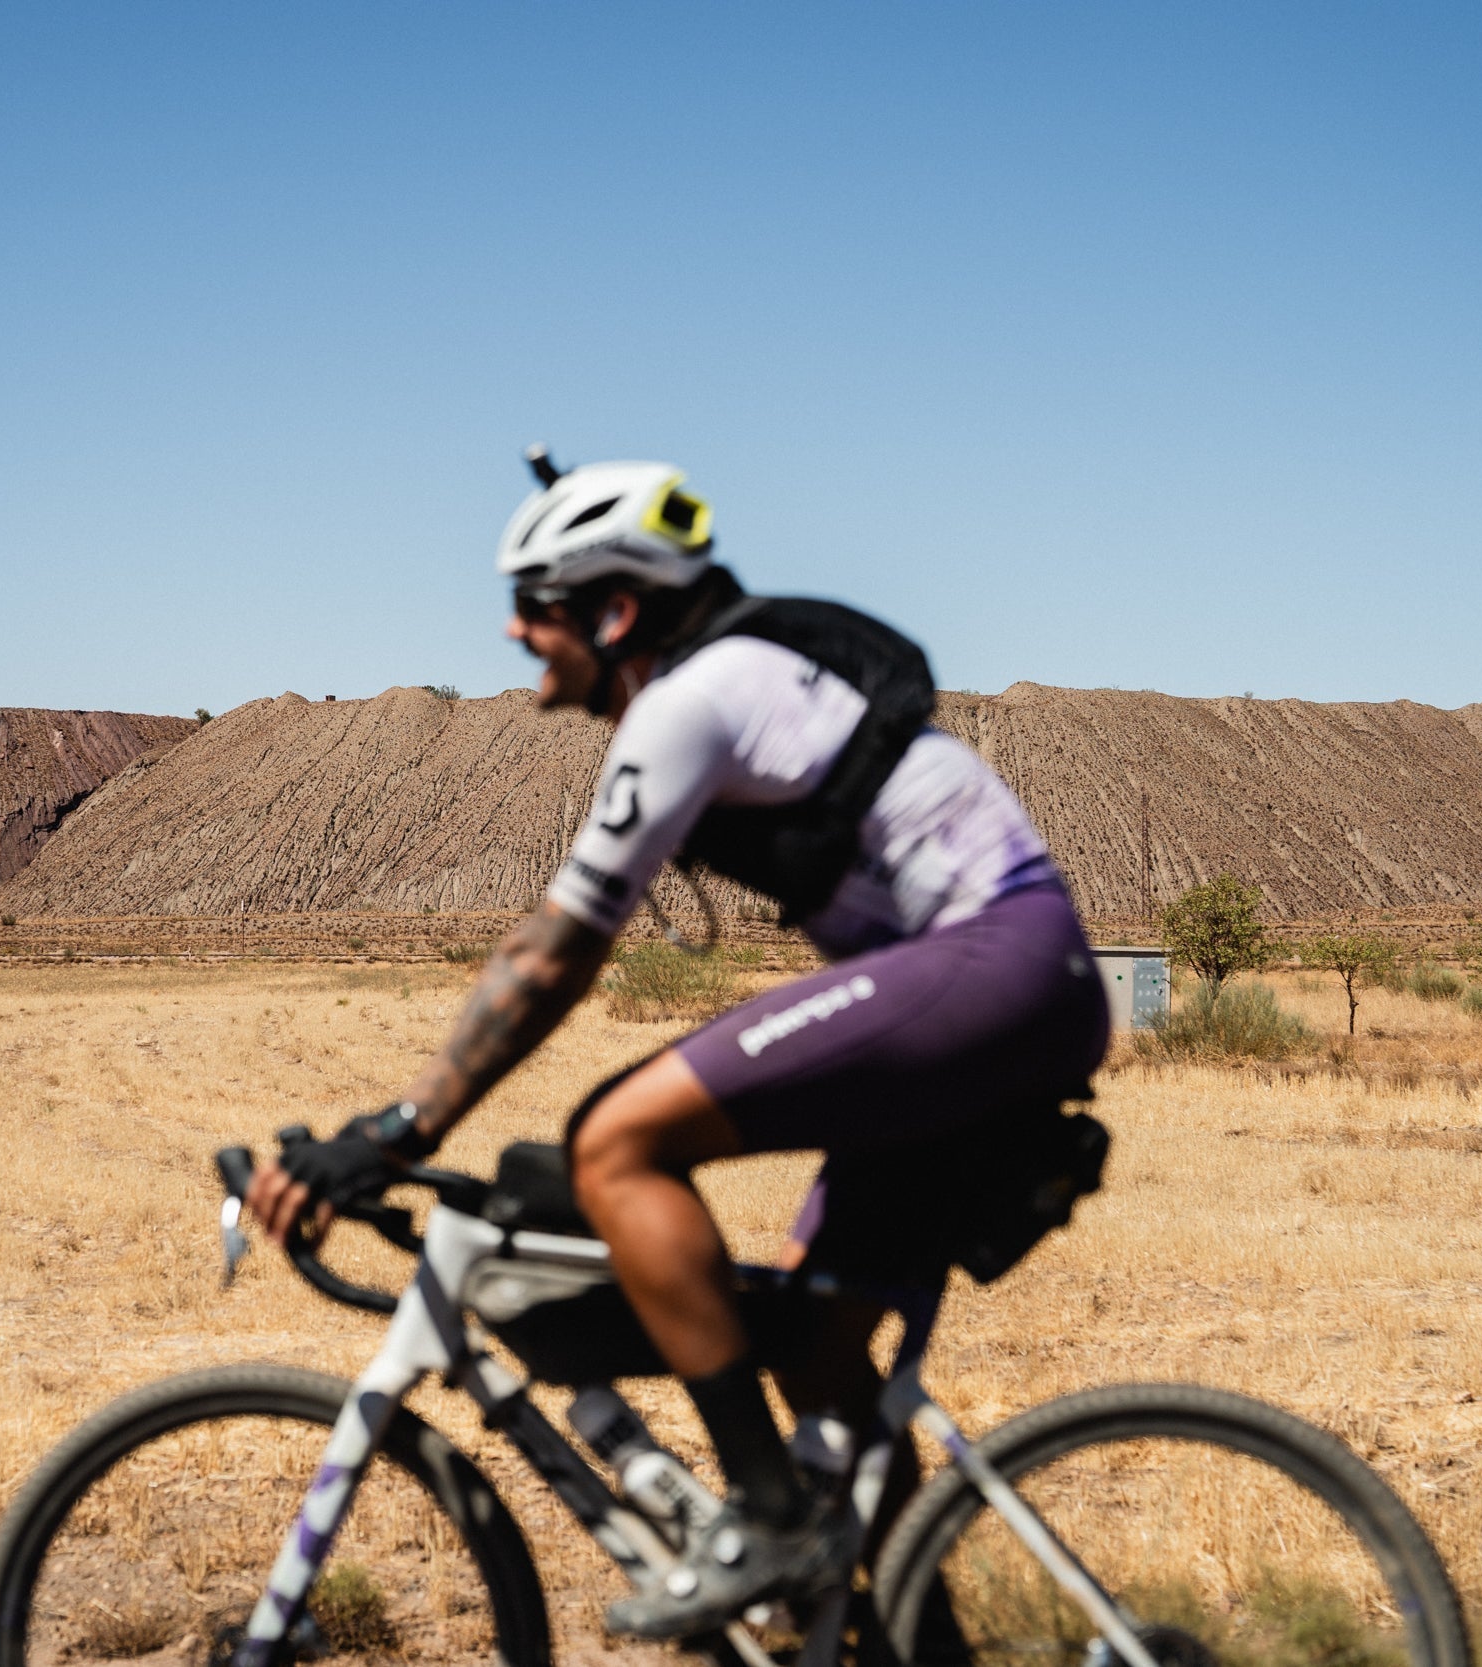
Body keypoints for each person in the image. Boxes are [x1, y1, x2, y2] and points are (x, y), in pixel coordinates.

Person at [245, 451, 1109, 1639]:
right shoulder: (731, 686)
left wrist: (403, 1127)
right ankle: (919, 1638)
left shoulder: (689, 703)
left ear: (612, 608)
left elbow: (554, 951)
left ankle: (766, 1514)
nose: (512, 631)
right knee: (815, 1348)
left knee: (613, 1140)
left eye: (534, 606)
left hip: (992, 962)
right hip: (1011, 981)